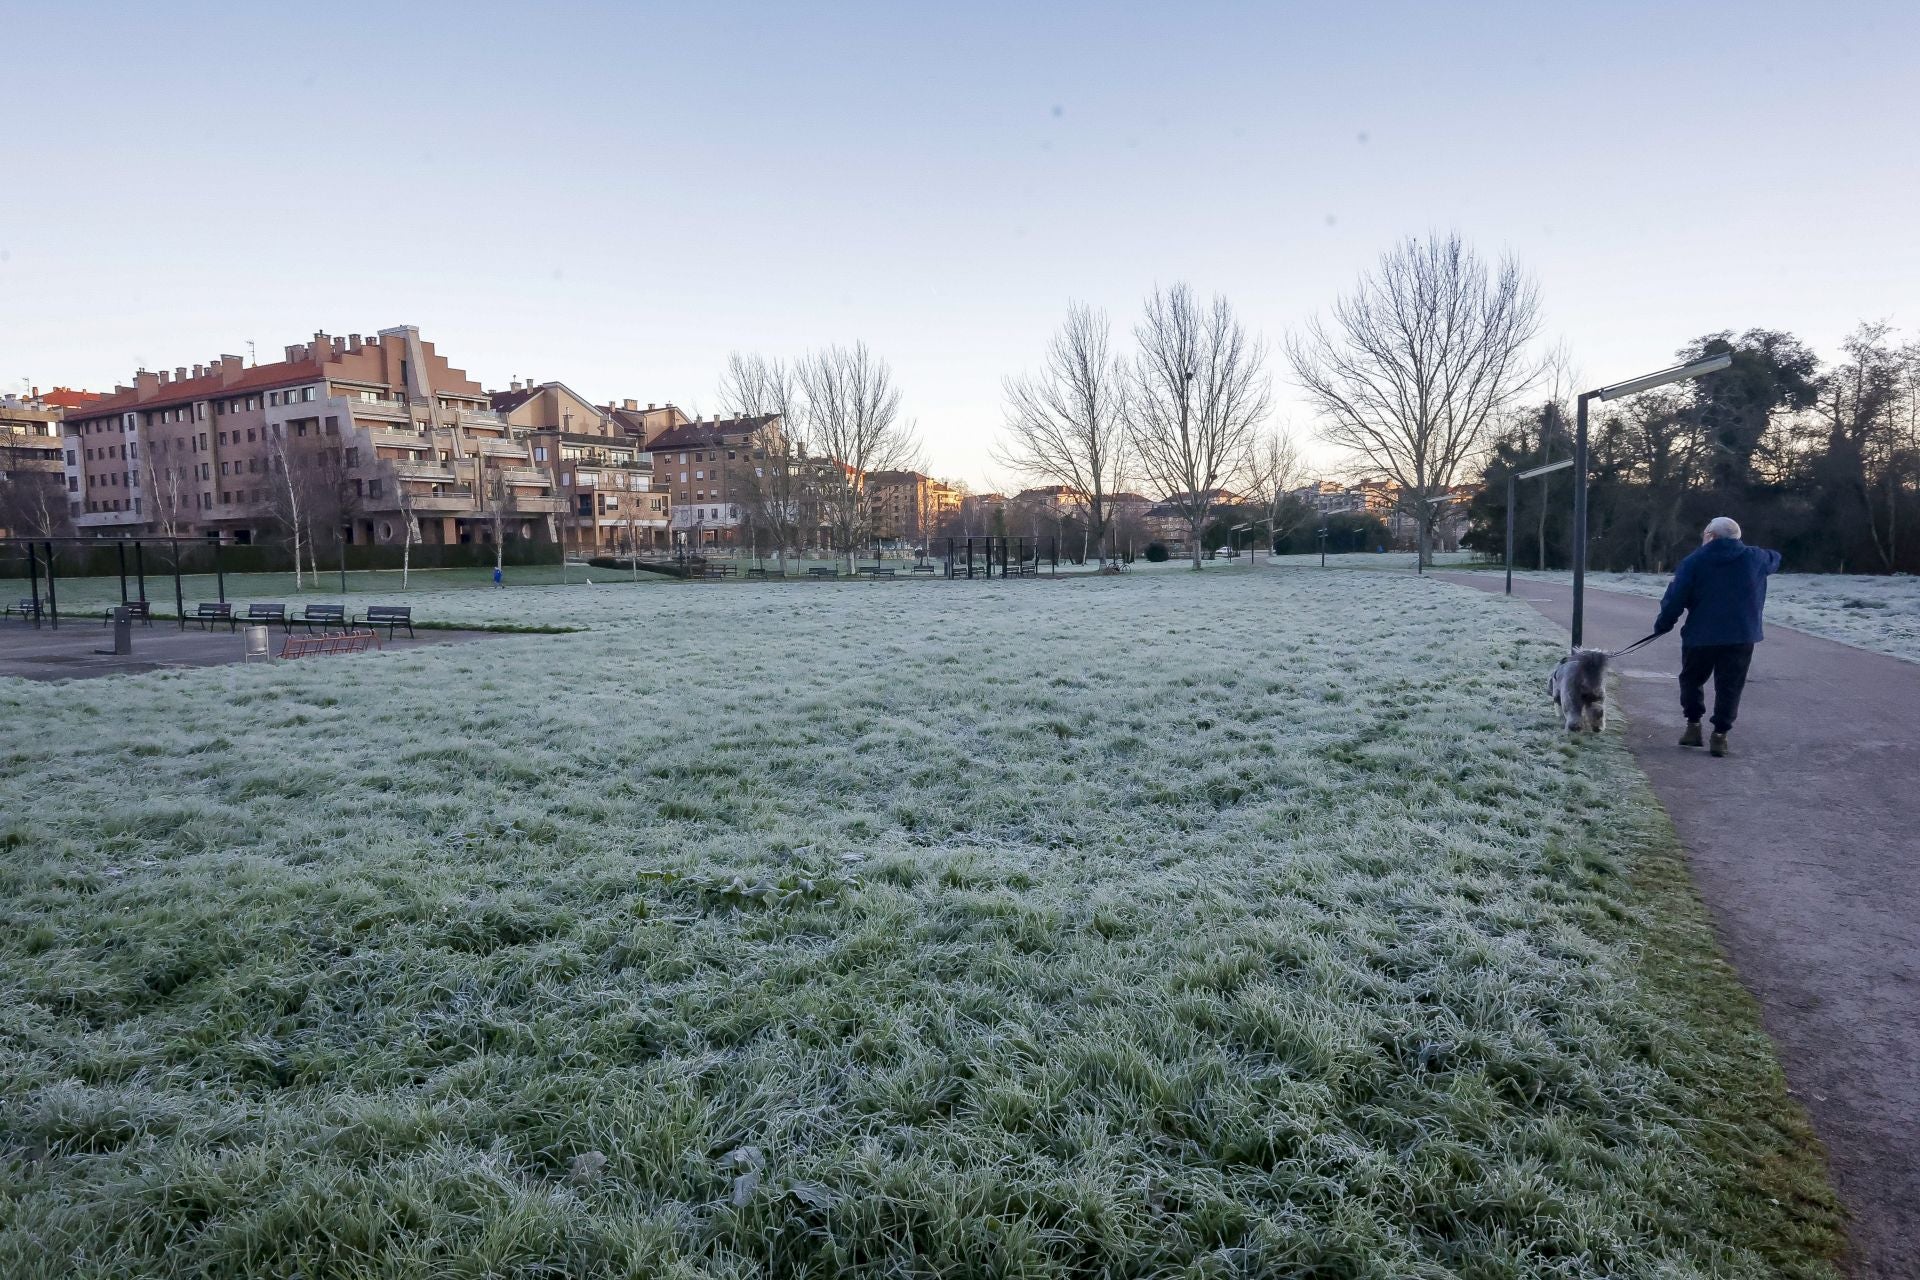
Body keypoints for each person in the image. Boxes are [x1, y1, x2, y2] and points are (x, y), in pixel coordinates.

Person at [1652, 516, 1781, 757]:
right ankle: (1720, 735)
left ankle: (1693, 726)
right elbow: (1775, 557)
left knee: (1691, 680)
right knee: (1730, 686)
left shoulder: (1693, 562)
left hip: (1701, 635)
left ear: (1710, 536)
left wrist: (1663, 624)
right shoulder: (1756, 558)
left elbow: (1675, 598)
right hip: (1741, 635)